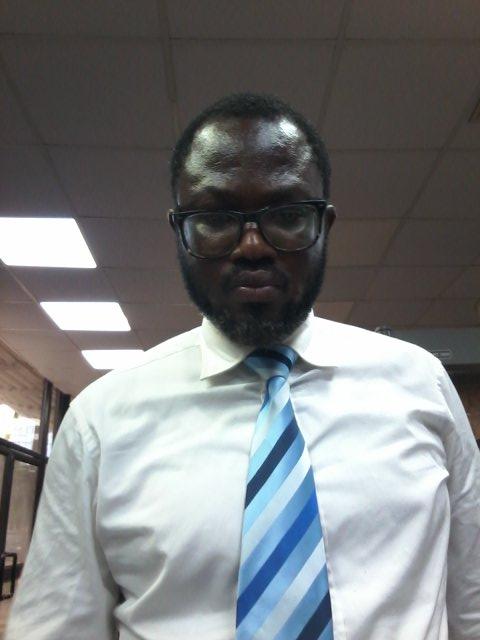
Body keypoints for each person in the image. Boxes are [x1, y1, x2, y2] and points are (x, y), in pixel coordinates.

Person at [5, 93, 480, 640]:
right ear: (179, 231)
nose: (252, 246)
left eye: (287, 215)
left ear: (323, 225)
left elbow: (471, 606)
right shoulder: (100, 422)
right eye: (215, 217)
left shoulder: (420, 385)